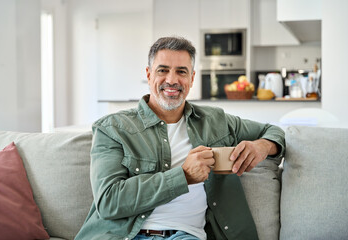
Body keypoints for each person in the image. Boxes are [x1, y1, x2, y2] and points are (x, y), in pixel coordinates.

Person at [75, 36, 285, 240]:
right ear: (149, 75)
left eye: (181, 72)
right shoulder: (112, 128)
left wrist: (262, 147)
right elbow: (109, 202)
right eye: (163, 70)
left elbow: (275, 132)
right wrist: (183, 177)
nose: (172, 80)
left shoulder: (216, 121)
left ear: (192, 78)